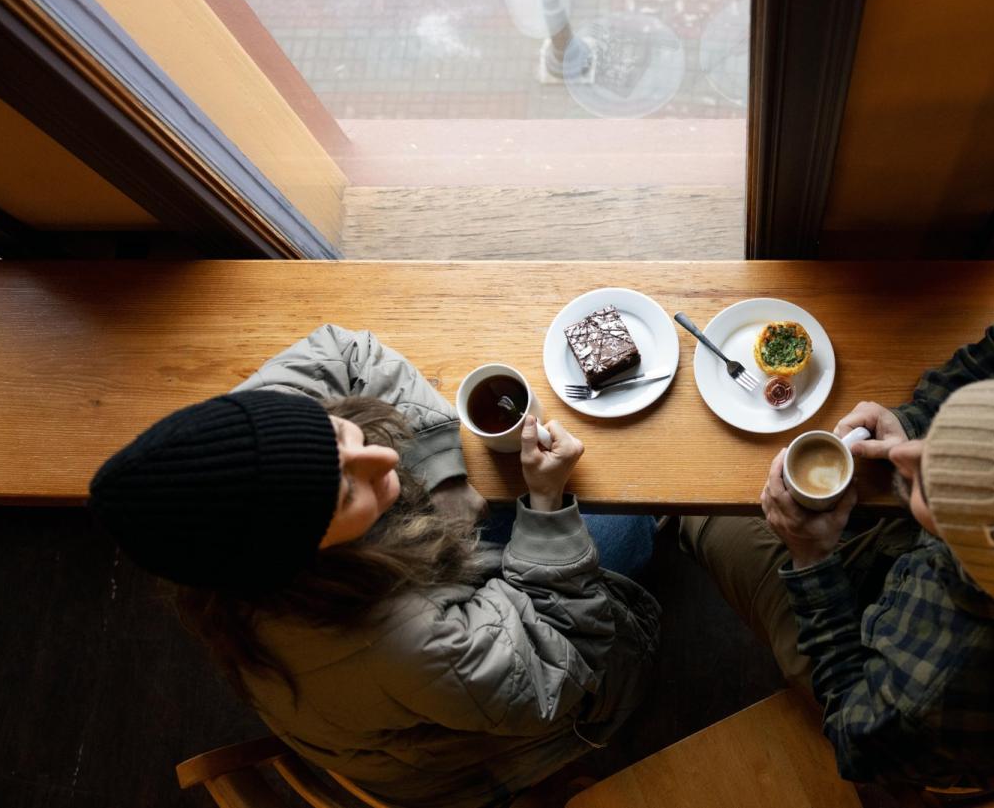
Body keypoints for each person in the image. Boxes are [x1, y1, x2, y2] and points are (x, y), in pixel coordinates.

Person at [89, 324, 660, 808]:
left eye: (341, 433)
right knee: (627, 523)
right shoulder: (401, 640)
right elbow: (564, 665)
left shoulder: (246, 457)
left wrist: (443, 478)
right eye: (347, 492)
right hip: (491, 744)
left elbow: (342, 351)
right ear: (305, 553)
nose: (385, 456)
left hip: (433, 680)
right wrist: (545, 503)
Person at [681, 306, 994, 793]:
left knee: (705, 517)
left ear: (963, 559)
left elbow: (850, 730)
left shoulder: (920, 701)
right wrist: (919, 418)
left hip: (939, 711)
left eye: (932, 484)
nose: (905, 456)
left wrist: (812, 559)